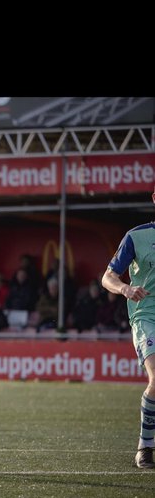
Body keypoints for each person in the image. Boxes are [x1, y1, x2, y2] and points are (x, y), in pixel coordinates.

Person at [101, 191, 155, 469]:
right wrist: (125, 288)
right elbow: (107, 277)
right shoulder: (136, 236)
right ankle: (145, 447)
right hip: (147, 316)